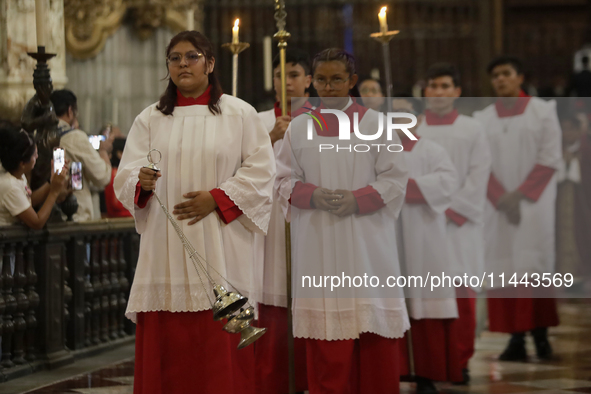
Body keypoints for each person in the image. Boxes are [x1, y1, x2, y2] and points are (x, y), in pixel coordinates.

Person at [113, 31, 275, 394]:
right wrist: (141, 183)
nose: (182, 64)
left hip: (221, 239)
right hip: (165, 244)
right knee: (170, 348)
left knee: (219, 353)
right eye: (174, 58)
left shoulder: (239, 113)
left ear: (210, 63)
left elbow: (262, 170)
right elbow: (126, 176)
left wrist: (218, 198)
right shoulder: (151, 118)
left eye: (192, 56)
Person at [275, 48, 409, 394]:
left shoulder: (376, 124)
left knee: (373, 338)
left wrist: (358, 199)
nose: (329, 87)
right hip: (318, 241)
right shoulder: (300, 127)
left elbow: (395, 179)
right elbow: (280, 181)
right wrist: (312, 195)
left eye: (337, 79)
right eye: (321, 79)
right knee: (326, 344)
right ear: (311, 82)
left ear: (352, 81)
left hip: (367, 243)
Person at [474, 55, 561, 361]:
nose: (500, 79)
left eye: (506, 73)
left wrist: (519, 196)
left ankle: (540, 334)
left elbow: (550, 158)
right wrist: (500, 198)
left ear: (519, 77)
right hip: (497, 206)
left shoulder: (543, 112)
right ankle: (515, 338)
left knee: (533, 266)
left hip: (533, 206)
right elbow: (480, 164)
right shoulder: (482, 119)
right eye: (495, 75)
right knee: (504, 268)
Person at [418, 63, 491, 383]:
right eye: (433, 86)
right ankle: (428, 364)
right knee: (428, 295)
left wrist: (452, 210)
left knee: (461, 292)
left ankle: (460, 359)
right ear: (425, 92)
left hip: (460, 225)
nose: (439, 92)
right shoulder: (414, 127)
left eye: (446, 86)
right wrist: (430, 207)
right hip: (422, 223)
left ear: (458, 92)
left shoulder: (472, 128)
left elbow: (479, 173)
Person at [392, 95, 460, 393]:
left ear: (418, 118)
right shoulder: (376, 151)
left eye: (404, 115)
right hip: (388, 235)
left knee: (426, 300)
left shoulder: (433, 150)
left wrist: (400, 188)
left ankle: (427, 372)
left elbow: (447, 183)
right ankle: (395, 369)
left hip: (425, 236)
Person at [255, 48, 312, 394]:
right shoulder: (257, 120)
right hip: (269, 221)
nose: (286, 81)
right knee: (273, 293)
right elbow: (238, 164)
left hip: (309, 216)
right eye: (280, 75)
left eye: (294, 75)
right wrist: (270, 138)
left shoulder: (324, 120)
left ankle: (308, 378)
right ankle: (274, 380)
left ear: (308, 80)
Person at [50, 89, 113, 221]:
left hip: (48, 212)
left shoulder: (40, 134)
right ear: (70, 110)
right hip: (75, 214)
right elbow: (102, 176)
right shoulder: (75, 137)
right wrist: (102, 151)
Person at [0, 123, 69, 229]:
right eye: (34, 155)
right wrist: (54, 192)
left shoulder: (18, 174)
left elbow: (28, 201)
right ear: (22, 163)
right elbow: (36, 222)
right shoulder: (10, 186)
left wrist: (51, 182)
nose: (37, 157)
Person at [104, 138, 132, 218]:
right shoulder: (118, 174)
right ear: (120, 154)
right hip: (122, 222)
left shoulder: (111, 172)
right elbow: (118, 204)